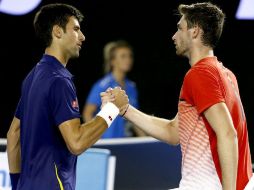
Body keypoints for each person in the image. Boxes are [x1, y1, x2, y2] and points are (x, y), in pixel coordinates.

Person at [102, 2, 253, 190]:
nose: (174, 36)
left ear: (195, 31)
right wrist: (125, 110)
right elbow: (174, 132)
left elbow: (228, 133)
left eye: (179, 28)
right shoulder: (226, 74)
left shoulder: (200, 74)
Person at [6, 3, 128, 190]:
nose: (83, 37)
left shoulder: (32, 76)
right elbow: (76, 143)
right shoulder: (59, 80)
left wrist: (17, 185)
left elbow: (13, 135)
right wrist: (112, 110)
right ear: (57, 31)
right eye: (76, 29)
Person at [83, 40, 144, 138]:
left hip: (125, 143)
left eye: (130, 56)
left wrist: (145, 140)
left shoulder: (132, 87)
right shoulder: (102, 86)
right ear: (112, 61)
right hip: (108, 143)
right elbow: (87, 113)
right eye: (123, 56)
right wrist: (96, 139)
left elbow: (134, 118)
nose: (128, 59)